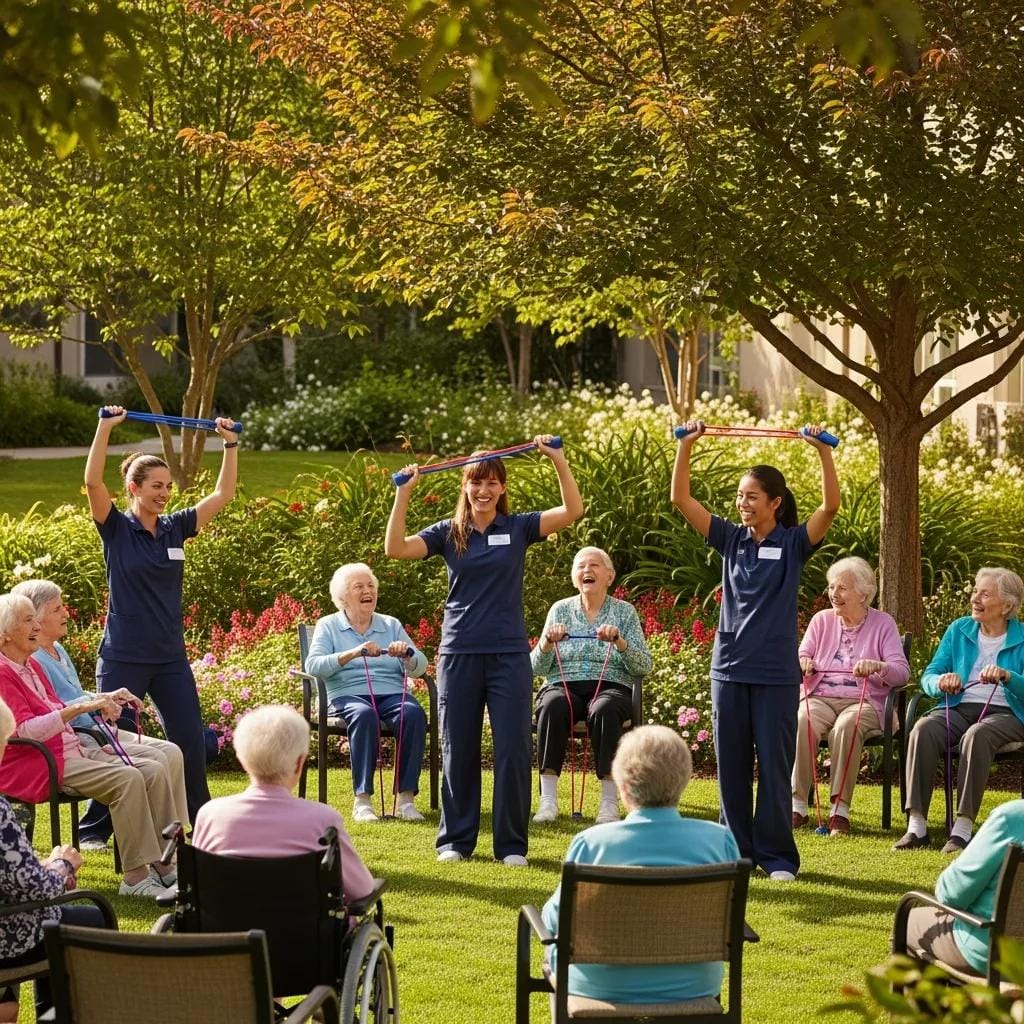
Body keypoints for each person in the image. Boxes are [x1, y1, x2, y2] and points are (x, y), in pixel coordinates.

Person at [385, 437, 584, 866]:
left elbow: (572, 511)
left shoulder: (518, 528)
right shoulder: (447, 532)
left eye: (492, 483)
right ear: (465, 486)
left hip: (508, 654)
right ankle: (455, 841)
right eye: (477, 482)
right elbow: (396, 548)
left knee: (513, 749)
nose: (484, 491)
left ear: (502, 488)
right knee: (458, 748)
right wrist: (404, 493)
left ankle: (511, 846)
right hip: (459, 652)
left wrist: (558, 460)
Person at [671, 421, 839, 881]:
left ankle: (778, 858)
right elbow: (681, 499)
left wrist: (822, 451)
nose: (742, 504)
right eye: (740, 497)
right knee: (732, 767)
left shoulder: (793, 544)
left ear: (775, 503)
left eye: (751, 497)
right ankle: (734, 855)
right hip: (728, 669)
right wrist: (686, 446)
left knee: (775, 764)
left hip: (775, 673)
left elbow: (830, 506)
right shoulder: (730, 540)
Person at [85, 404, 238, 821]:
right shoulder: (115, 527)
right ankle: (98, 827)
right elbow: (92, 480)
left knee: (188, 736)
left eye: (168, 486)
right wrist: (105, 428)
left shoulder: (176, 526)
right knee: (116, 739)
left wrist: (230, 444)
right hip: (124, 655)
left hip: (169, 656)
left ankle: (197, 814)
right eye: (155, 485)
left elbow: (224, 495)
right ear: (134, 488)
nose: (164, 493)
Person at [541, 725, 740, 1006]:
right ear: (686, 779)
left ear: (622, 787)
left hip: (599, 986)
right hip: (692, 985)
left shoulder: (592, 843)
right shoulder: (718, 840)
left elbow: (555, 919)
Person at [0, 593, 181, 898]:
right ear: (5, 634)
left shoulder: (31, 666)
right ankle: (135, 878)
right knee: (128, 778)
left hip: (68, 750)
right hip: (39, 763)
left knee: (151, 769)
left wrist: (98, 705)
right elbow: (24, 731)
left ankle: (164, 864)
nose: (35, 626)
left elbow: (56, 706)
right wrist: (81, 710)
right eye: (27, 620)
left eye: (34, 618)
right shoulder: (4, 673)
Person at [895, 567, 1024, 854]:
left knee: (977, 735)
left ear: (1006, 605)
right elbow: (929, 675)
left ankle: (962, 828)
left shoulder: (1023, 637)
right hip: (957, 705)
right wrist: (941, 681)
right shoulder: (959, 629)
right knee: (923, 729)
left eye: (985, 593)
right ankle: (917, 826)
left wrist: (1008, 676)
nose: (975, 598)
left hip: (1007, 714)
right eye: (975, 591)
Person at [191, 705, 374, 904]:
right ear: (299, 763)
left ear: (242, 760)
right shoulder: (323, 820)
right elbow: (361, 889)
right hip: (307, 933)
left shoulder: (210, 815)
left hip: (226, 932)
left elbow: (197, 884)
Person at [0, 696, 111, 1022]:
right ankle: (54, 1016)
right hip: (9, 937)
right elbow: (34, 889)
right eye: (5, 742)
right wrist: (63, 865)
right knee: (91, 918)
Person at [530, 546, 652, 825]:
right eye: (581, 566)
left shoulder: (624, 612)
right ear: (574, 578)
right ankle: (548, 800)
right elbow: (536, 667)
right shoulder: (559, 609)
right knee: (552, 704)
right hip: (564, 684)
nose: (587, 570)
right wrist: (548, 642)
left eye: (595, 565)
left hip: (611, 686)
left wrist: (620, 642)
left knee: (605, 708)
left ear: (609, 576)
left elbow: (643, 665)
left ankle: (609, 802)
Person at [792, 557, 909, 836]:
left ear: (864, 593)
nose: (834, 593)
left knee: (847, 725)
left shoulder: (883, 624)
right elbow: (800, 654)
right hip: (819, 695)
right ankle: (797, 805)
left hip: (865, 700)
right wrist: (804, 662)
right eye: (832, 587)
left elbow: (901, 673)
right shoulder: (821, 620)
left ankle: (839, 810)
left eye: (842, 588)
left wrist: (878, 667)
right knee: (802, 718)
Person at [304, 562, 429, 823]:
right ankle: (362, 800)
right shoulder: (328, 625)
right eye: (358, 586)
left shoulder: (390, 624)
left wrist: (407, 654)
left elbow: (421, 667)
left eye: (370, 585)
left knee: (413, 714)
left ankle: (406, 800)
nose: (367, 590)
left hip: (392, 693)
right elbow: (313, 665)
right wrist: (353, 653)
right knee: (364, 715)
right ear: (342, 597)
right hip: (346, 695)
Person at [903, 798, 1024, 976]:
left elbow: (952, 894)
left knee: (909, 919)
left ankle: (932, 1002)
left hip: (995, 955)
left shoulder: (1011, 818)